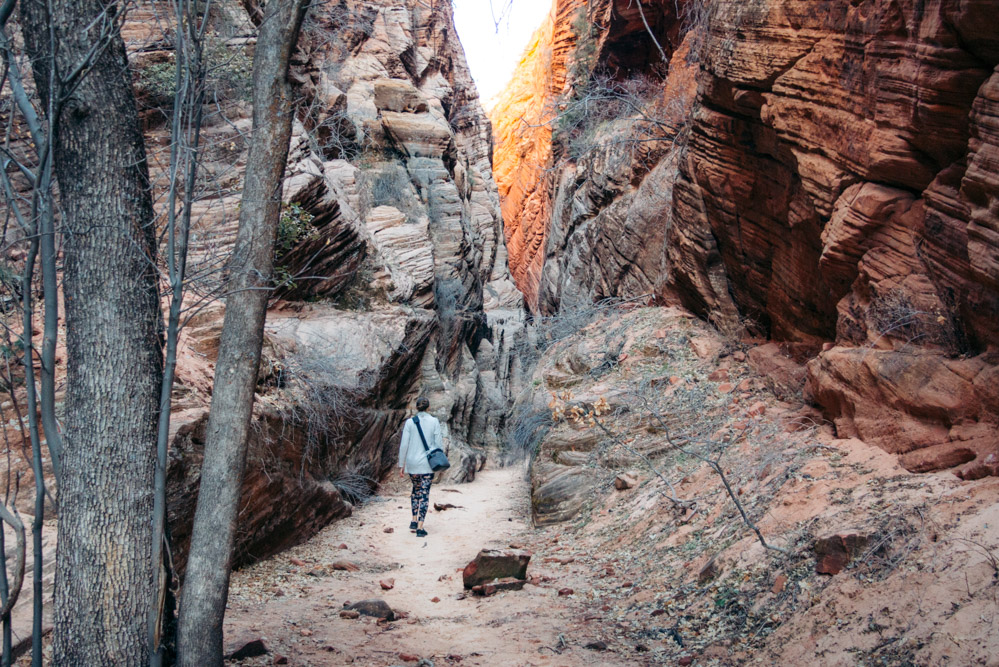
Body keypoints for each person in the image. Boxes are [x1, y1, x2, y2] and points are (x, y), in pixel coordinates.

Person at [398, 396, 443, 537]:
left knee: (415, 491)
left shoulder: (410, 422)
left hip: (412, 463)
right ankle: (420, 528)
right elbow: (438, 444)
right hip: (427, 465)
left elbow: (404, 444)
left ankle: (413, 520)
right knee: (424, 494)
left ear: (416, 407)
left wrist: (401, 464)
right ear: (428, 407)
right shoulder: (434, 421)